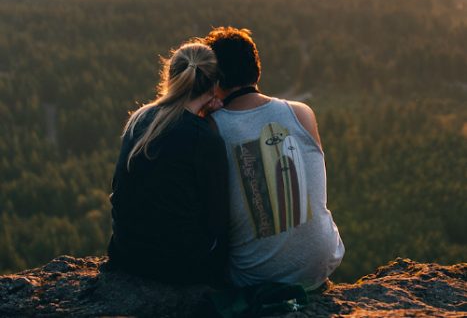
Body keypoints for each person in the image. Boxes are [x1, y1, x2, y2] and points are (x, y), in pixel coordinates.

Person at [204, 26, 344, 289]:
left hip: (255, 277)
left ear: (214, 79)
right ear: (257, 69)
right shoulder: (301, 113)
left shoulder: (212, 128)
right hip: (320, 263)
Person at [107, 40, 229, 285]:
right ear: (215, 84)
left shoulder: (141, 119)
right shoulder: (204, 136)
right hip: (179, 266)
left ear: (171, 77)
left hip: (127, 254)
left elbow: (119, 189)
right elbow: (218, 217)